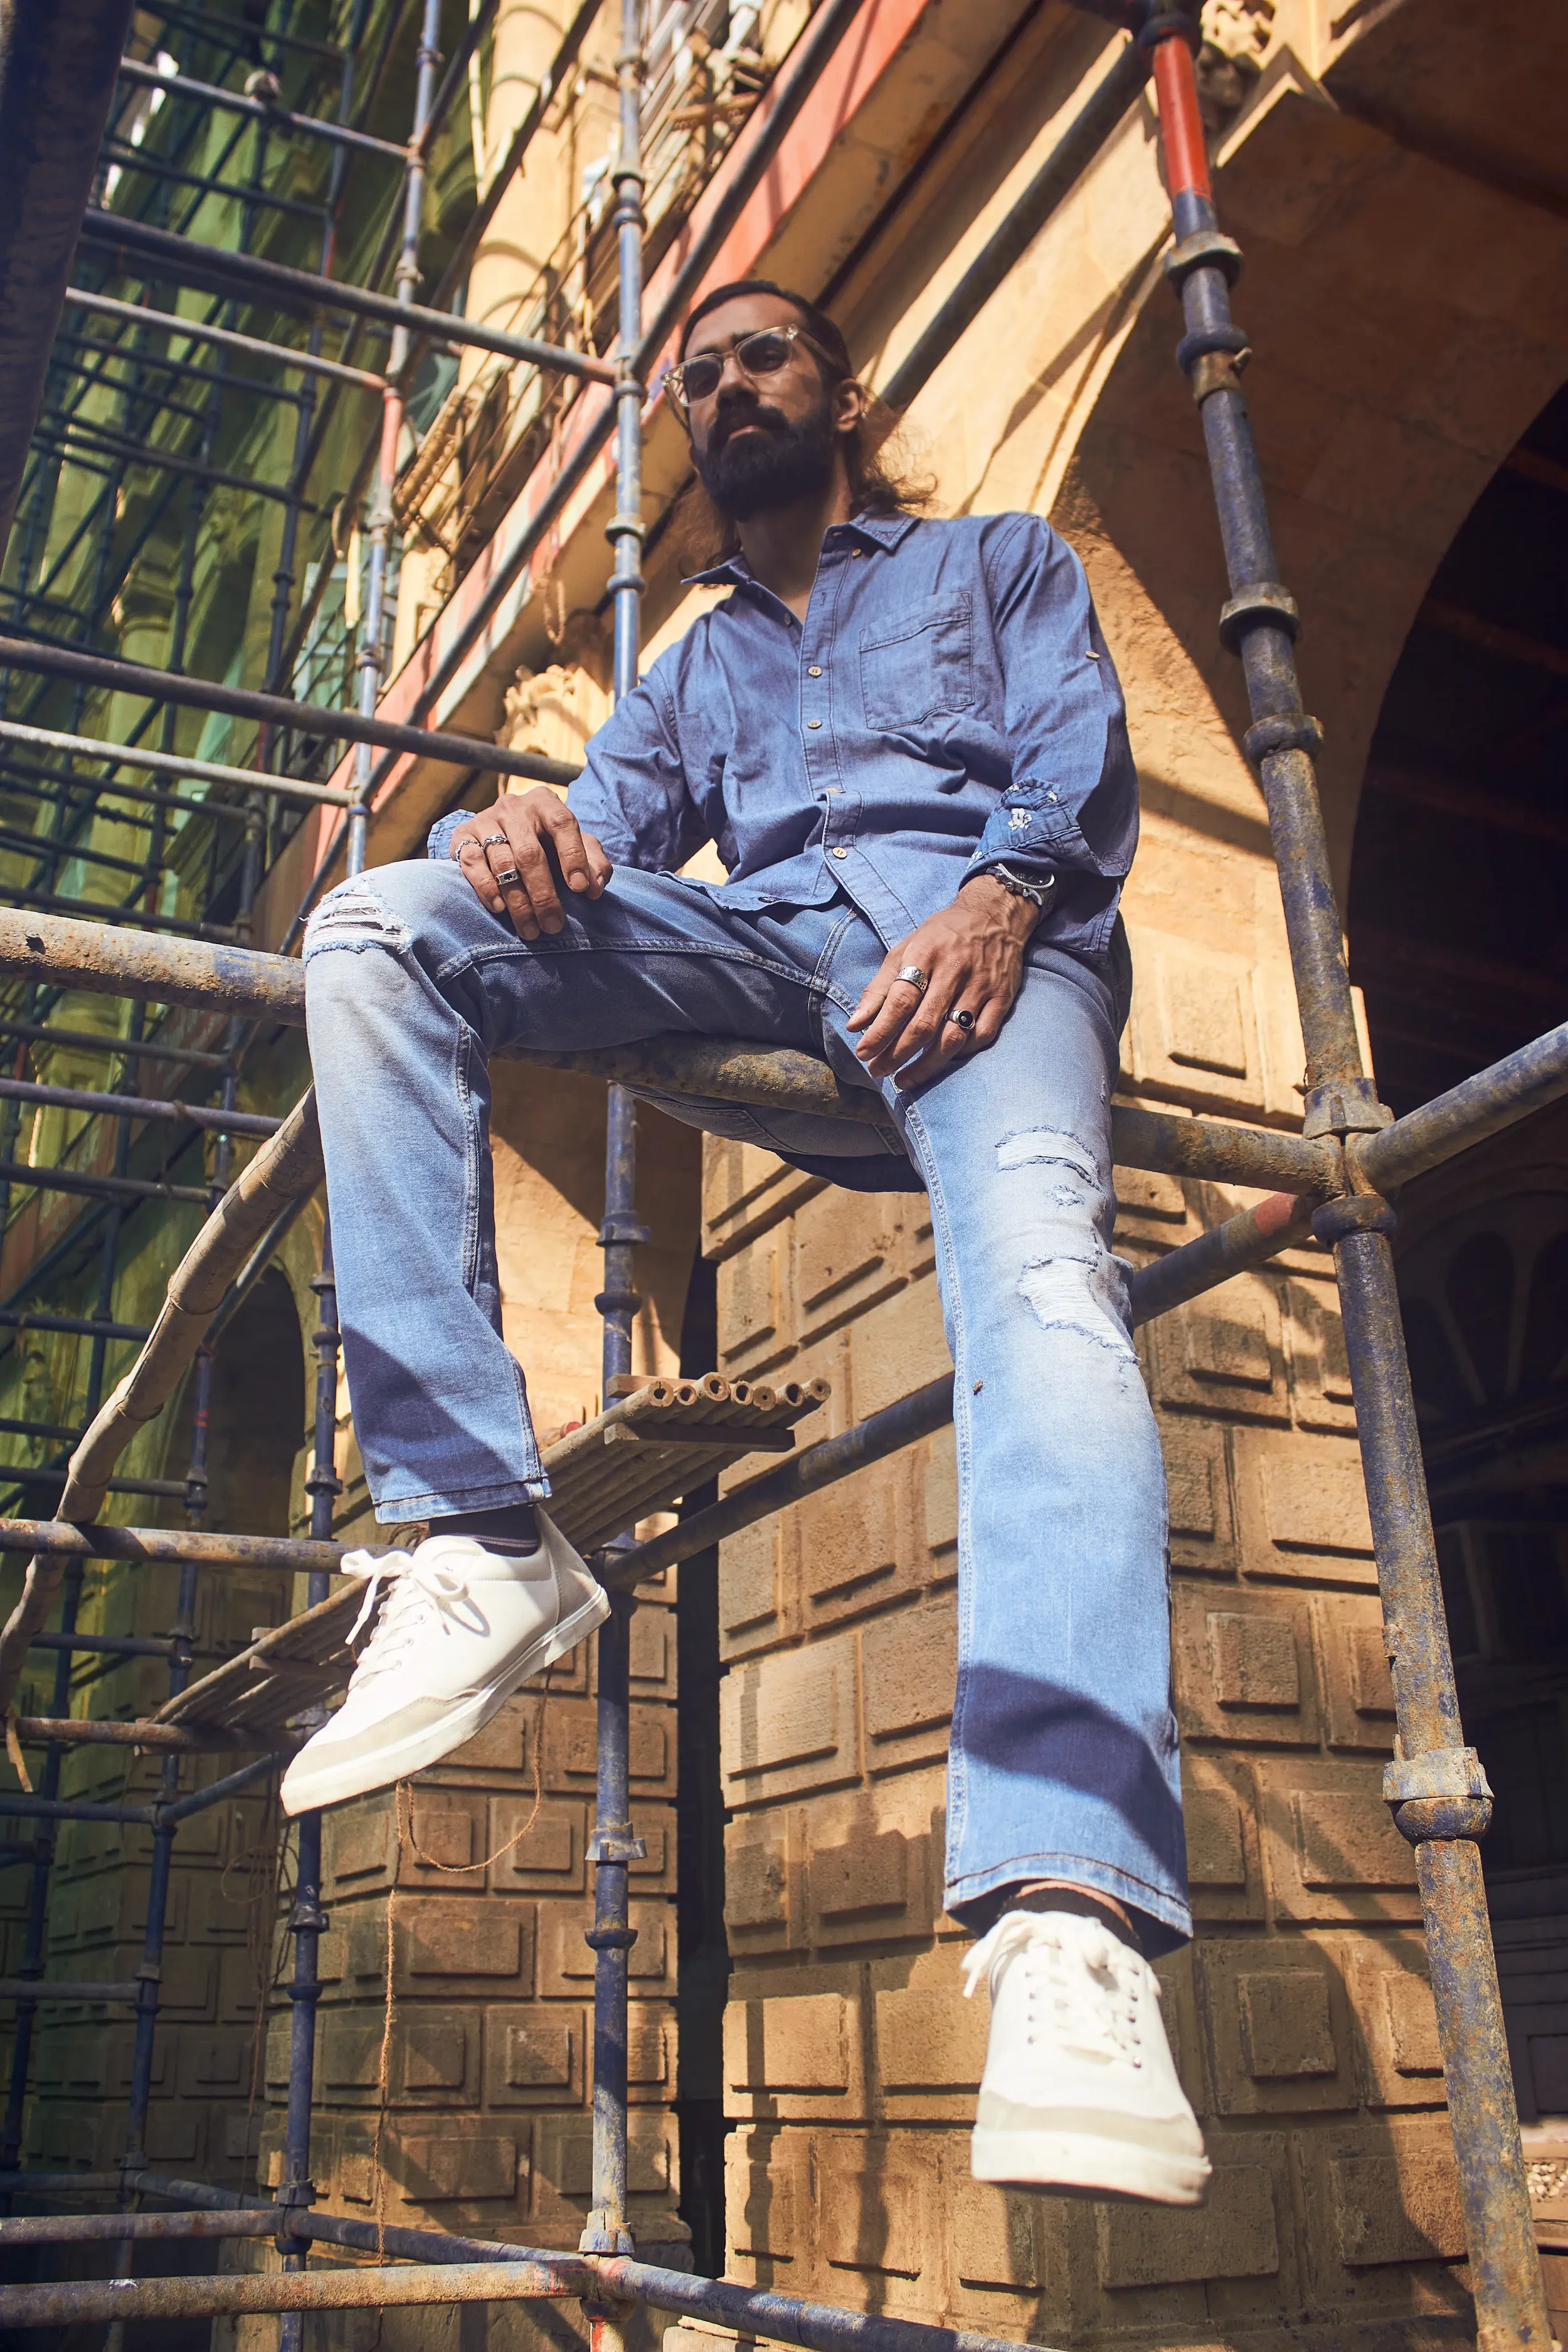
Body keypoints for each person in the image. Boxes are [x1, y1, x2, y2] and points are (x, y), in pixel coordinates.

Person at [285, 279, 1208, 2207]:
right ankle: (471, 1529)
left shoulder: (989, 559)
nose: (723, 386)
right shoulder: (694, 666)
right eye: (694, 373)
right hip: (773, 961)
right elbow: (601, 828)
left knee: (1046, 1295)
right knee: (379, 929)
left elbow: (1075, 750)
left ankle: (1070, 1910)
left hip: (986, 960)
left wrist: (1000, 895)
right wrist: (515, 839)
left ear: (839, 389)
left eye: (760, 352)